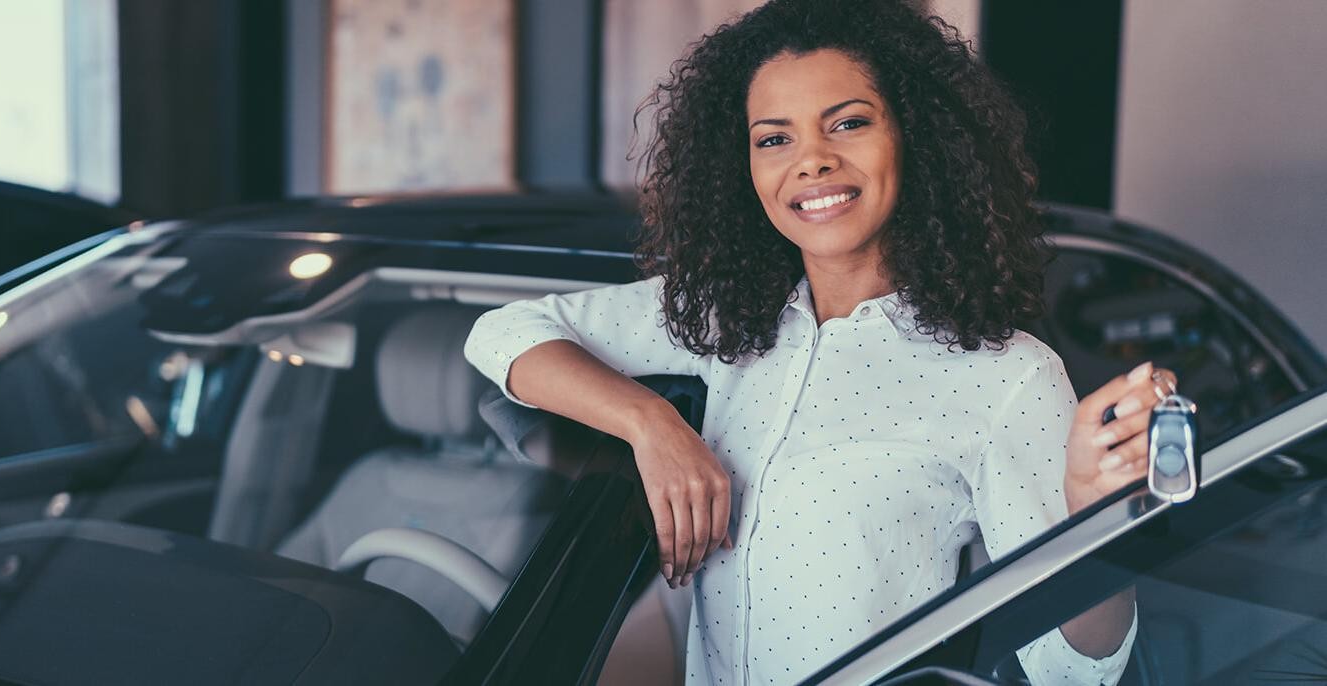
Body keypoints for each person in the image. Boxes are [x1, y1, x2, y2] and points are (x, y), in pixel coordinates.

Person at [463, 1, 1171, 683]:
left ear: (916, 136)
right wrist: (650, 424)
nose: (812, 161)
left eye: (849, 123)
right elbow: (503, 333)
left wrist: (1096, 521)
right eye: (775, 138)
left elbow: (1073, 672)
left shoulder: (1008, 377)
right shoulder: (723, 316)